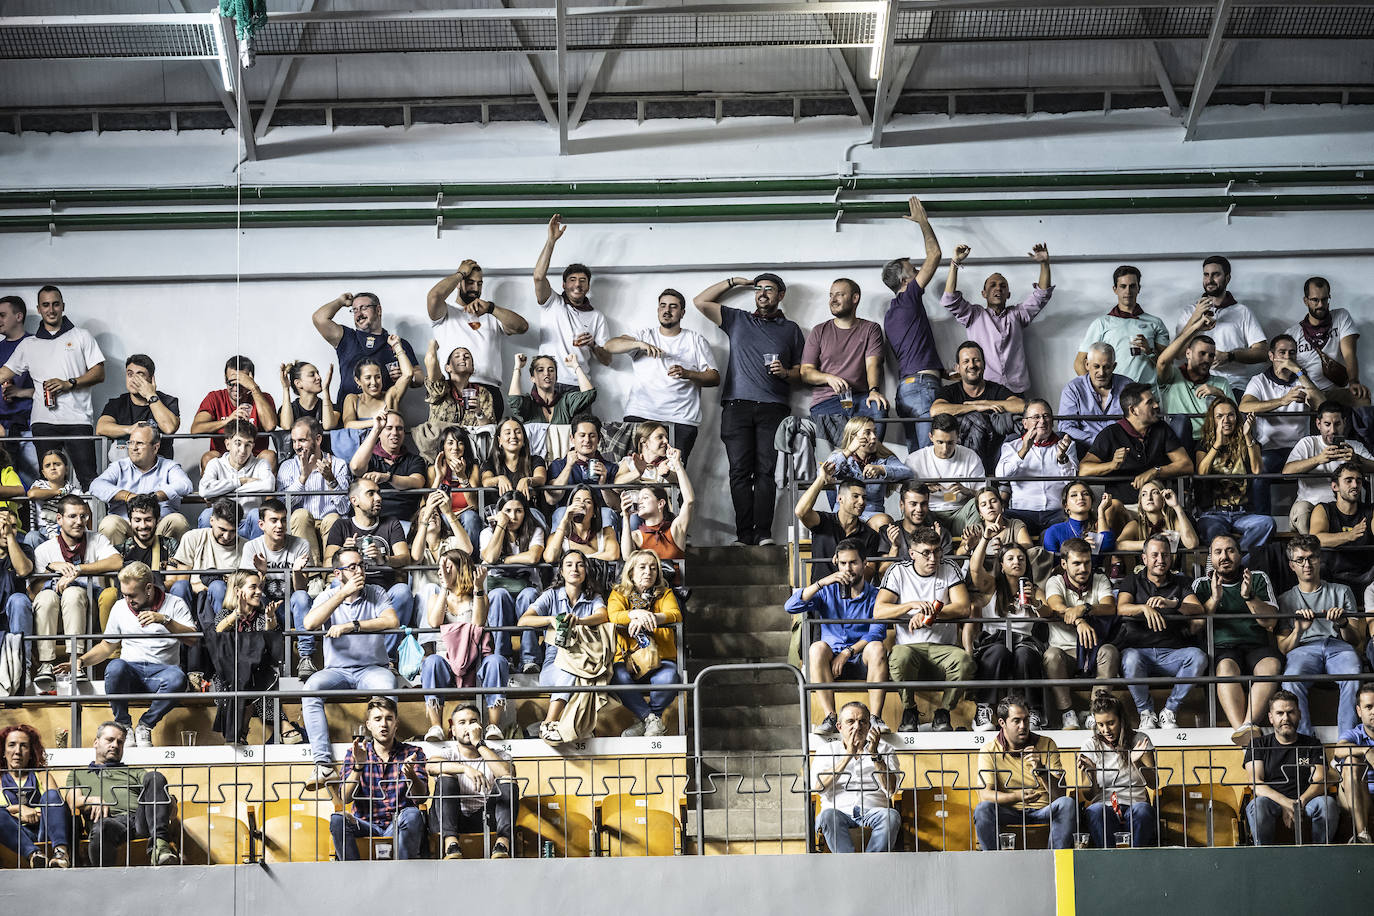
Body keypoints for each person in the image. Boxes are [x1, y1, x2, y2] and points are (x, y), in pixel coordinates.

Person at [692, 270, 804, 546]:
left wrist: (786, 373)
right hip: (736, 407)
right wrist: (733, 283)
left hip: (774, 408)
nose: (762, 293)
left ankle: (764, 534)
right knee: (739, 472)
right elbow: (700, 302)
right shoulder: (737, 319)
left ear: (780, 295)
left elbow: (803, 371)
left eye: (769, 289)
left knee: (766, 472)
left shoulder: (791, 330)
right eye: (758, 289)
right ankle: (744, 535)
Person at [58, 562, 196, 748]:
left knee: (178, 678)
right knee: (115, 666)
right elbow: (107, 647)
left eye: (132, 595)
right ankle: (124, 725)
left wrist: (164, 620)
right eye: (124, 594)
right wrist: (81, 660)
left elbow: (193, 640)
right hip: (132, 672)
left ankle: (145, 725)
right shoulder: (120, 607)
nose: (128, 600)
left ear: (148, 588)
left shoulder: (175, 604)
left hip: (162, 673)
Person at [300, 549, 402, 789]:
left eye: (362, 565)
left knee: (387, 685)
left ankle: (384, 754)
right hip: (338, 671)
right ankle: (323, 765)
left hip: (372, 669)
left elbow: (391, 621)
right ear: (338, 573)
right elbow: (309, 623)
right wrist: (342, 593)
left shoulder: (375, 592)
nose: (360, 570)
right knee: (310, 688)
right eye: (353, 567)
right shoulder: (329, 594)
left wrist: (351, 626)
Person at [0, 285, 105, 485]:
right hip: (43, 422)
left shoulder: (81, 336)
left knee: (89, 480)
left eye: (55, 304)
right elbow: (5, 372)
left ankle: (94, 517)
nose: (51, 309)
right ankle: (50, 518)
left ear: (63, 306)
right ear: (38, 309)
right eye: (46, 305)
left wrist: (69, 383)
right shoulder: (29, 344)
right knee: (47, 483)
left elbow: (99, 373)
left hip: (78, 420)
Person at [875, 527, 973, 733]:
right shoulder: (898, 570)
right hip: (910, 649)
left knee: (965, 660)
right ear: (912, 554)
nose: (933, 558)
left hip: (944, 649)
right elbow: (879, 611)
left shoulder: (949, 567)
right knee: (898, 656)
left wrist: (931, 613)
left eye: (937, 551)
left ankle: (943, 712)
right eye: (926, 553)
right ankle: (909, 710)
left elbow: (963, 607)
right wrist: (912, 606)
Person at [787, 539, 889, 736]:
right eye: (843, 563)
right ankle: (831, 718)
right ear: (836, 563)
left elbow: (877, 632)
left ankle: (875, 718)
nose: (848, 568)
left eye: (853, 562)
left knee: (877, 646)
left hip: (862, 658)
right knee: (816, 648)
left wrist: (848, 652)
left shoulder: (877, 595)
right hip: (830, 661)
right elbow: (791, 606)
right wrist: (822, 582)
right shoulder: (827, 591)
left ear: (865, 563)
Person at [607, 288, 720, 464]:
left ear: (682, 313)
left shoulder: (695, 340)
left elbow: (714, 377)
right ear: (658, 309)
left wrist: (688, 373)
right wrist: (639, 344)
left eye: (673, 307)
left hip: (680, 420)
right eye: (663, 306)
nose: (667, 310)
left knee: (673, 477)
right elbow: (609, 346)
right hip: (641, 415)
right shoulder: (644, 336)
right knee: (634, 473)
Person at [1193, 534, 1281, 747]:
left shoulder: (1257, 577)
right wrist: (1214, 599)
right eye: (1218, 552)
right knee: (1224, 668)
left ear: (1240, 555)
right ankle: (1244, 733)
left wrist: (1249, 597)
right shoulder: (1202, 584)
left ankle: (1246, 728)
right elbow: (1194, 626)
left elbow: (1270, 622)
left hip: (1256, 646)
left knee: (1272, 664)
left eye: (1230, 550)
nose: (1224, 556)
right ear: (1210, 558)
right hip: (1222, 648)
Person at [1114, 536, 1207, 730]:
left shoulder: (1181, 582)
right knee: (1130, 658)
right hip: (1139, 654)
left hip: (1172, 653)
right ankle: (1146, 713)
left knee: (1198, 656)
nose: (1160, 559)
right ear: (1144, 559)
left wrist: (1173, 603)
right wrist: (1143, 608)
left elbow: (1198, 609)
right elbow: (1121, 608)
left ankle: (1169, 712)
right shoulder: (1133, 580)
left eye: (1165, 555)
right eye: (1154, 555)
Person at [29, 494, 121, 689]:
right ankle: (46, 664)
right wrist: (51, 569)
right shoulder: (45, 550)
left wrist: (78, 569)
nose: (79, 522)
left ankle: (76, 662)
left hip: (87, 608)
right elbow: (32, 592)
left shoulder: (97, 539)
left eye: (83, 516)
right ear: (59, 519)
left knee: (74, 593)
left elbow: (117, 561)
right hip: (54, 613)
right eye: (72, 516)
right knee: (45, 596)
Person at [518, 550, 610, 743]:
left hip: (584, 657)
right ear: (561, 570)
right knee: (571, 673)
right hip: (555, 662)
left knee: (586, 676)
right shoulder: (551, 595)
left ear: (586, 570)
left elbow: (603, 615)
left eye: (580, 564)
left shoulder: (593, 597)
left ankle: (569, 725)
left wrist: (580, 622)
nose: (574, 569)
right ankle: (549, 723)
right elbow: (524, 621)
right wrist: (550, 619)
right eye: (569, 564)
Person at [321, 478, 415, 667]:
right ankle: (342, 655)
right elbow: (326, 564)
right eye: (371, 493)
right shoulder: (342, 526)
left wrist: (384, 559)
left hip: (382, 593)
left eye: (378, 492)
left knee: (403, 592)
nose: (378, 498)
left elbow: (405, 558)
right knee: (333, 586)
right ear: (354, 500)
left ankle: (387, 659)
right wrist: (342, 551)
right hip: (352, 591)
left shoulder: (391, 523)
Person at [419, 548, 508, 743]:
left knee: (497, 661)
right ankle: (436, 727)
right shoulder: (436, 597)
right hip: (446, 662)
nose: (442, 570)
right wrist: (444, 587)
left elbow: (477, 623)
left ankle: (493, 725)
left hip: (476, 662)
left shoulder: (479, 595)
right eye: (440, 567)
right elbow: (434, 621)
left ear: (460, 569)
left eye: (448, 566)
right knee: (430, 662)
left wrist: (478, 587)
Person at [1276, 534, 1362, 735]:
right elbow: (1283, 648)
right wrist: (1299, 630)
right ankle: (1306, 743)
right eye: (1300, 560)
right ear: (1292, 566)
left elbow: (1356, 640)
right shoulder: (1285, 599)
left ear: (1319, 559)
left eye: (1311, 557)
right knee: (1291, 679)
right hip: (1303, 648)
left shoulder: (1342, 591)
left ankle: (1346, 741)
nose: (1307, 564)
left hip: (1338, 646)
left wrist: (1342, 623)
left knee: (1354, 673)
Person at [940, 241, 1052, 394]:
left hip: (1016, 390)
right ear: (984, 294)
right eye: (992, 285)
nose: (998, 288)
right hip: (984, 389)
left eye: (1002, 286)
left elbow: (1042, 295)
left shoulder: (1018, 314)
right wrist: (955, 263)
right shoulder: (974, 315)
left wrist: (1045, 264)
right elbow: (949, 299)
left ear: (1008, 294)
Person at [64, 722, 179, 866]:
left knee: (154, 776)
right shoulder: (78, 774)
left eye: (120, 742)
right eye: (109, 740)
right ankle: (104, 879)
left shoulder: (134, 772)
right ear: (96, 742)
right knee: (102, 827)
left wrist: (171, 799)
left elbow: (156, 787)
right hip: (109, 822)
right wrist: (93, 799)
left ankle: (160, 847)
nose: (115, 745)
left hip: (139, 821)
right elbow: (73, 801)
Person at [1079, 382, 1192, 528]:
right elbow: (1083, 470)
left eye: (1155, 401)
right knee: (1112, 508)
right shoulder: (1110, 433)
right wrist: (1112, 465)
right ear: (1133, 410)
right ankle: (1109, 548)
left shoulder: (1161, 429)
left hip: (1157, 506)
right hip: (1124, 508)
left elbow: (1186, 465)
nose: (1156, 406)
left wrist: (1155, 472)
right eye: (1150, 402)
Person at [964, 542, 1051, 730]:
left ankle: (1033, 711)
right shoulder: (992, 585)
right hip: (993, 641)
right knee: (999, 651)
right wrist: (985, 539)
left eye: (1021, 559)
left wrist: (1035, 602)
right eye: (1010, 558)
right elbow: (974, 569)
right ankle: (983, 710)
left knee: (1025, 655)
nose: (1016, 562)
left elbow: (1047, 613)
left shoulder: (1034, 589)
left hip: (1023, 641)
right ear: (1001, 565)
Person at [330, 696, 429, 861]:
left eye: (389, 719)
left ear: (396, 724)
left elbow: (421, 797)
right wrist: (358, 766)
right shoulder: (355, 753)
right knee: (337, 820)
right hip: (365, 825)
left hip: (399, 824)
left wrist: (411, 774)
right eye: (378, 719)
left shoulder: (412, 753)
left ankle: (402, 874)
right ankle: (353, 877)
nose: (384, 724)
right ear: (369, 725)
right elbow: (345, 798)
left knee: (413, 814)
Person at [881, 196, 945, 451]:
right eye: (914, 270)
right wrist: (923, 222)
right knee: (932, 456)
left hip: (907, 389)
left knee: (918, 459)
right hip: (921, 388)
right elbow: (936, 254)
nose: (919, 271)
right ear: (906, 281)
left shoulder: (891, 312)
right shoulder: (908, 299)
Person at [974, 695, 1074, 851]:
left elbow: (1060, 795)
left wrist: (1041, 770)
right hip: (1009, 811)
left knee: (1067, 804)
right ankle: (993, 863)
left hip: (1043, 810)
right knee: (983, 810)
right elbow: (985, 795)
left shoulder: (1047, 743)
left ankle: (1056, 860)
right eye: (1016, 721)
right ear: (1002, 723)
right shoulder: (989, 750)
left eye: (1026, 720)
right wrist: (1017, 796)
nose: (1023, 725)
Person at [1240, 334, 1325, 514]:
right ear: (1271, 356)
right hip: (1270, 448)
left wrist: (1300, 373)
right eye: (1282, 352)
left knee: (1326, 470)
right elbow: (1245, 406)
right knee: (1259, 471)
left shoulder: (1302, 381)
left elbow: (1323, 407)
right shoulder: (1260, 381)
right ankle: (1262, 523)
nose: (1287, 358)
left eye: (1292, 353)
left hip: (1300, 449)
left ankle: (1314, 525)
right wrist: (1282, 401)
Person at [1043, 538, 1122, 730]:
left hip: (1095, 650)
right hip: (1066, 653)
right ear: (1064, 564)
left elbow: (1110, 607)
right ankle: (1068, 714)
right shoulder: (1055, 581)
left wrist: (1084, 608)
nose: (1083, 568)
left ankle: (1097, 713)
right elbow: (1056, 606)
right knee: (1051, 655)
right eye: (1076, 563)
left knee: (1110, 651)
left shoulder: (1100, 578)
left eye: (1087, 562)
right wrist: (1079, 620)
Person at [1242, 689, 1339, 846]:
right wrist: (1287, 804)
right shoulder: (1258, 744)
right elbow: (1256, 783)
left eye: (1290, 712)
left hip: (1307, 802)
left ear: (1299, 715)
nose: (1285, 718)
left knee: (1327, 804)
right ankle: (1262, 855)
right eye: (1280, 713)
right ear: (1271, 718)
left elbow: (1320, 780)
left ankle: (1321, 855)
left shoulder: (1312, 744)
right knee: (1257, 805)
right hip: (1271, 802)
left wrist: (1299, 803)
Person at [800, 277, 887, 447]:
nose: (833, 300)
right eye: (831, 295)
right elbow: (805, 372)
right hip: (827, 402)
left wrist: (874, 391)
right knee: (842, 446)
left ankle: (870, 463)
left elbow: (873, 363)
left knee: (879, 406)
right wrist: (828, 378)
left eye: (839, 295)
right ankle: (848, 465)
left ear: (855, 298)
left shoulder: (871, 329)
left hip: (860, 398)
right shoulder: (819, 331)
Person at [608, 549, 684, 738]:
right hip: (628, 661)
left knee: (668, 678)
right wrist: (634, 614)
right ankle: (650, 719)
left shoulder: (664, 593)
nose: (648, 572)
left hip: (661, 658)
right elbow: (613, 615)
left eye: (653, 568)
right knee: (617, 677)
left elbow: (675, 614)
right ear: (631, 572)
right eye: (642, 567)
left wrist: (652, 617)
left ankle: (649, 720)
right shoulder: (618, 593)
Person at [165, 499, 245, 677]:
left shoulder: (245, 547)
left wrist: (204, 585)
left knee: (217, 587)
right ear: (212, 521)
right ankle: (180, 644)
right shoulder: (193, 537)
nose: (226, 537)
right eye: (222, 530)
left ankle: (224, 643)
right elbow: (181, 581)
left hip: (223, 606)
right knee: (179, 587)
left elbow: (240, 592)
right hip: (191, 603)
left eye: (232, 531)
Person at [811, 701, 901, 854]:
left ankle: (872, 865)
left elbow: (891, 789)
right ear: (839, 727)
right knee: (827, 816)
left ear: (869, 726)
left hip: (874, 810)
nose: (857, 726)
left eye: (863, 722)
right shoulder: (826, 750)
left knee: (891, 816)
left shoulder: (885, 749)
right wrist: (847, 756)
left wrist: (875, 755)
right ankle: (849, 865)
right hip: (837, 811)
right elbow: (818, 786)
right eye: (850, 721)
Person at [426, 259, 529, 394]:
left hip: (489, 388)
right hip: (452, 388)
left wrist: (491, 308)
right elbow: (434, 296)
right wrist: (460, 274)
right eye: (470, 283)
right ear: (458, 283)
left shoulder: (491, 315)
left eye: (479, 284)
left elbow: (522, 327)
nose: (475, 288)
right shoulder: (446, 312)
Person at [428, 704, 516, 859]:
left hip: (486, 818)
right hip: (452, 818)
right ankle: (451, 845)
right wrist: (464, 769)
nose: (468, 727)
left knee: (507, 780)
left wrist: (479, 744)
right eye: (462, 723)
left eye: (473, 722)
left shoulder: (498, 754)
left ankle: (502, 844)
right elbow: (431, 766)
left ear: (480, 727)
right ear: (453, 730)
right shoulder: (448, 754)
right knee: (445, 776)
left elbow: (507, 772)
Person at [1171, 256, 1269, 394]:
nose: (1209, 280)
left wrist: (1230, 356)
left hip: (1233, 386)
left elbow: (1263, 353)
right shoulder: (1189, 312)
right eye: (1206, 275)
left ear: (1227, 278)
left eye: (1216, 274)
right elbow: (1178, 354)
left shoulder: (1242, 312)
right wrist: (1195, 317)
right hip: (1195, 386)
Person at [208, 570, 283, 745]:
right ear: (238, 591)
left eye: (260, 587)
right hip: (229, 674)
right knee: (239, 680)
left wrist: (271, 618)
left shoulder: (261, 615)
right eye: (253, 587)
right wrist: (237, 613)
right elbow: (217, 632)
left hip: (258, 673)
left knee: (251, 679)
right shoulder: (226, 614)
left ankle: (238, 734)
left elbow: (272, 641)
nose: (259, 592)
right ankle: (284, 726)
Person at [1193, 398, 1273, 560]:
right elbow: (1201, 473)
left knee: (1267, 523)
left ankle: (1235, 563)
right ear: (1212, 419)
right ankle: (1238, 563)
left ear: (1237, 418)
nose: (1226, 420)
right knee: (1211, 531)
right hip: (1213, 513)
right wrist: (1217, 443)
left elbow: (1257, 471)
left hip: (1243, 513)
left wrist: (1247, 435)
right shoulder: (1204, 444)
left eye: (1230, 415)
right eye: (1220, 416)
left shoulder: (1249, 442)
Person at [88, 422, 192, 544]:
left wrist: (156, 497)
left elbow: (185, 484)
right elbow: (96, 485)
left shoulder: (169, 466)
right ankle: (116, 562)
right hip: (127, 527)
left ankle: (169, 562)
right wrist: (128, 497)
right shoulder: (119, 466)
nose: (133, 448)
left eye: (140, 443)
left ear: (155, 447)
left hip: (159, 527)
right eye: (131, 442)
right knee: (109, 523)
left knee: (177, 521)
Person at [1076, 694, 1157, 848]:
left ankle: (1136, 862)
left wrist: (1136, 761)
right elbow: (1089, 795)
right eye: (1100, 724)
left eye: (1111, 723)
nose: (1105, 729)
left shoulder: (1140, 739)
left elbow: (1154, 783)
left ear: (1121, 719)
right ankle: (1109, 861)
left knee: (1143, 810)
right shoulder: (1090, 745)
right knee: (1095, 810)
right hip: (1104, 806)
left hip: (1134, 805)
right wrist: (1091, 772)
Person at [930, 340, 1025, 471]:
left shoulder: (995, 390)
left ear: (984, 365)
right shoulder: (950, 391)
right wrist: (975, 408)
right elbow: (935, 410)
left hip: (995, 452)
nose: (972, 365)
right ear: (957, 368)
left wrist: (986, 403)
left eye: (976, 360)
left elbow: (1020, 406)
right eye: (966, 361)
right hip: (959, 453)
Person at [532, 215, 611, 368]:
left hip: (578, 382)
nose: (577, 285)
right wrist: (551, 241)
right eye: (572, 280)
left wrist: (593, 345)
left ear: (588, 286)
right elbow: (538, 277)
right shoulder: (552, 303)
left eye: (582, 280)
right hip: (547, 379)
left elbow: (607, 360)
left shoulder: (596, 316)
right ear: (563, 285)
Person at [480, 491, 547, 673]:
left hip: (526, 587)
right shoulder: (487, 533)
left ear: (525, 512)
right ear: (500, 512)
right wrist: (501, 525)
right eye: (507, 511)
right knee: (498, 595)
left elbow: (533, 557)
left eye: (518, 511)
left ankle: (529, 659)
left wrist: (504, 560)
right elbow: (490, 556)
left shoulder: (535, 530)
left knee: (530, 595)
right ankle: (504, 657)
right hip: (499, 589)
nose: (513, 516)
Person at [1282, 401, 1374, 533]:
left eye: (1337, 424)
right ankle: (1312, 550)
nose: (1332, 430)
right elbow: (1287, 472)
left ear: (1344, 422)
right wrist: (1317, 459)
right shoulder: (1307, 443)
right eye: (1327, 424)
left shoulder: (1355, 446)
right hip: (1310, 505)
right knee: (1301, 510)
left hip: (1345, 508)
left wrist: (1356, 459)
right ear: (1318, 424)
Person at [241, 497, 313, 663]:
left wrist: (296, 571)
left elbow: (302, 590)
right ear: (261, 525)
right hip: (263, 605)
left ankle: (306, 658)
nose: (280, 526)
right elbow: (250, 592)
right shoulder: (251, 547)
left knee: (301, 597)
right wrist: (262, 573)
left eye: (283, 520)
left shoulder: (301, 545)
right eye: (273, 521)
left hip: (291, 607)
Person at [312, 291, 422, 400]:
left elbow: (420, 378)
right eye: (355, 310)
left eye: (364, 308)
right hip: (346, 414)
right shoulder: (346, 337)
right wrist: (340, 302)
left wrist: (405, 375)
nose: (359, 314)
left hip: (383, 413)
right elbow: (319, 319)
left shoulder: (396, 342)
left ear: (378, 310)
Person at [96, 494, 181, 632]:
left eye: (148, 520)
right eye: (137, 520)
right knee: (108, 594)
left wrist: (142, 591)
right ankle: (113, 649)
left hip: (159, 600)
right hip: (127, 602)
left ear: (157, 521)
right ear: (130, 521)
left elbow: (172, 581)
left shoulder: (169, 544)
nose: (143, 525)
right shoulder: (121, 550)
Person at [1074, 266, 1170, 385]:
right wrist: (1097, 393)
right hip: (1115, 395)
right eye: (1123, 286)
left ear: (1138, 288)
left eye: (1132, 286)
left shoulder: (1155, 323)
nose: (1128, 291)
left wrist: (1149, 351)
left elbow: (1167, 364)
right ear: (1115, 289)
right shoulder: (1102, 323)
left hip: (1147, 395)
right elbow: (1079, 363)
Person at [994, 399, 1077, 535]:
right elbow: (1001, 476)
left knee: (1065, 526)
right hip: (1021, 512)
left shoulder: (1066, 445)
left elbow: (1072, 481)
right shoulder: (1012, 446)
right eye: (1036, 417)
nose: (1042, 421)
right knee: (1006, 523)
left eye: (1046, 416)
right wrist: (1023, 451)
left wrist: (1062, 458)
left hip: (1057, 512)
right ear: (1025, 423)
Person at [278, 416, 352, 562]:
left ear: (318, 439)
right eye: (294, 441)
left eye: (302, 440)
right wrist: (303, 478)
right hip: (301, 524)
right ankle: (312, 578)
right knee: (300, 515)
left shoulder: (338, 465)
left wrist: (331, 479)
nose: (297, 446)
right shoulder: (287, 466)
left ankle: (332, 577)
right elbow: (283, 506)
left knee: (334, 519)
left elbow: (344, 509)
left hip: (330, 522)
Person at [1285, 276, 1369, 405]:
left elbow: (1349, 353)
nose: (1321, 305)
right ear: (1305, 301)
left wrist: (1353, 381)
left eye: (1324, 299)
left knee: (1362, 398)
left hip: (1335, 390)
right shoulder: (1292, 333)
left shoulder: (1341, 317)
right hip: (1308, 394)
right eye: (1315, 300)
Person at [188, 355, 277, 472]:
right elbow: (195, 429)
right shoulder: (214, 398)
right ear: (225, 380)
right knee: (208, 458)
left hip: (254, 459)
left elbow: (270, 425)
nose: (236, 388)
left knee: (269, 456)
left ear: (250, 380)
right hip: (224, 460)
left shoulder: (263, 397)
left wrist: (254, 388)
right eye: (231, 383)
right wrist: (227, 421)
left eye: (241, 383)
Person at [821, 416, 911, 530]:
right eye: (867, 433)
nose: (873, 437)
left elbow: (908, 472)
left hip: (872, 513)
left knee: (884, 521)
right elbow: (825, 471)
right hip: (844, 513)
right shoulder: (840, 457)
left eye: (874, 432)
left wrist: (882, 469)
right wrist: (848, 451)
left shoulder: (884, 459)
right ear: (854, 437)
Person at [795, 465, 881, 585]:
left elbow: (870, 569)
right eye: (855, 496)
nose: (861, 502)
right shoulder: (824, 521)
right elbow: (801, 511)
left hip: (851, 595)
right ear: (840, 499)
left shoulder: (870, 534)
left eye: (864, 498)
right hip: (821, 594)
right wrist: (821, 480)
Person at [0, 723, 70, 868]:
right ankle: (34, 855)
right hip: (15, 834)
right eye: (12, 745)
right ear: (3, 750)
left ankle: (61, 853)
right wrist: (21, 809)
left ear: (31, 752)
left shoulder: (42, 775)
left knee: (51, 796)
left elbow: (55, 805)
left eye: (23, 746)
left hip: (45, 831)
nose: (17, 751)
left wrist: (31, 812)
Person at [902, 414, 986, 533]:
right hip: (929, 512)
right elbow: (903, 494)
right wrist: (923, 489)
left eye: (950, 443)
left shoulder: (970, 457)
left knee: (978, 503)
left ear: (958, 437)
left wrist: (968, 492)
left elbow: (985, 494)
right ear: (931, 437)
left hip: (960, 512)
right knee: (911, 507)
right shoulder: (915, 459)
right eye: (940, 442)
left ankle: (969, 546)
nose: (945, 448)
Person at [413, 344, 495, 463]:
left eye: (467, 356)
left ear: (472, 369)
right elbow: (430, 359)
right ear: (448, 368)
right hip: (438, 453)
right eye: (457, 356)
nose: (462, 358)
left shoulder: (482, 393)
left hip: (471, 455)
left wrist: (478, 412)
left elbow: (488, 429)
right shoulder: (441, 388)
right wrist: (432, 345)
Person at [196, 420, 273, 538]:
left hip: (248, 522)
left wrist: (225, 491)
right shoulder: (215, 464)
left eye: (248, 444)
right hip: (222, 522)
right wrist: (241, 481)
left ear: (253, 446)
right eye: (238, 443)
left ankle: (258, 556)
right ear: (227, 444)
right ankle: (207, 555)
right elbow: (204, 490)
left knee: (257, 514)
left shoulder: (260, 464)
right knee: (207, 515)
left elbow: (269, 485)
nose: (243, 450)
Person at [95, 354, 180, 461]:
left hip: (158, 463)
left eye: (140, 375)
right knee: (118, 449)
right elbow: (101, 427)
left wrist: (151, 395)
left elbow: (169, 428)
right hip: (125, 464)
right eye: (130, 374)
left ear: (151, 379)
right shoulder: (117, 403)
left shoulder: (167, 401)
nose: (134, 379)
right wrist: (130, 429)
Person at [348, 411, 429, 523]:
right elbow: (356, 467)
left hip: (403, 520)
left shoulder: (414, 459)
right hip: (370, 520)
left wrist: (388, 477)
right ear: (380, 432)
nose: (395, 432)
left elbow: (417, 482)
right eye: (389, 428)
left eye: (399, 428)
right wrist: (376, 429)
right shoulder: (369, 458)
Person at [1155, 320, 1229, 441]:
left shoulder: (1221, 383)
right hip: (1178, 443)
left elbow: (1234, 416)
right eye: (1202, 353)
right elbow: (1162, 361)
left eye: (1211, 355)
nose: (1207, 359)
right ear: (1188, 353)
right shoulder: (1173, 375)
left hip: (1210, 441)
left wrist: (1219, 394)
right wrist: (1195, 328)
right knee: (1181, 421)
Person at [1058, 342, 1131, 458]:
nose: (1101, 373)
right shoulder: (1073, 389)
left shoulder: (1128, 386)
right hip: (1085, 448)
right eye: (1096, 366)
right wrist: (1098, 442)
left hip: (1122, 448)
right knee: (1062, 438)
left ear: (1114, 366)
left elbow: (1138, 421)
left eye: (1106, 367)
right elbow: (1065, 426)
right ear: (1087, 364)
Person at [1311, 462, 1374, 595]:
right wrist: (1349, 535)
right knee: (1318, 569)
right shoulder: (1323, 509)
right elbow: (1315, 539)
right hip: (1332, 579)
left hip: (1366, 578)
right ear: (1335, 486)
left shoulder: (1370, 511)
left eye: (1358, 481)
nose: (1355, 485)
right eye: (1348, 481)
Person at [620, 468, 695, 580]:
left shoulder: (674, 529)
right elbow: (627, 557)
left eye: (645, 498)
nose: (640, 502)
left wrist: (678, 465)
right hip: (645, 592)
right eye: (639, 499)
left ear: (660, 503)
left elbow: (689, 501)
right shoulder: (635, 535)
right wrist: (626, 517)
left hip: (672, 591)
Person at [546, 413, 617, 530]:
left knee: (607, 514)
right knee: (560, 513)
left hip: (599, 515)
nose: (587, 440)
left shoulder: (610, 467)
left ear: (599, 439)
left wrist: (603, 485)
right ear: (572, 439)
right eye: (582, 435)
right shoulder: (558, 465)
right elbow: (551, 499)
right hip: (568, 512)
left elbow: (616, 506)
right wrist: (568, 466)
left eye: (592, 435)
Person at [425, 425, 483, 547]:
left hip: (466, 515)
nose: (455, 448)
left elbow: (475, 504)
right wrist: (439, 477)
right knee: (444, 519)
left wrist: (462, 476)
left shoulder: (473, 468)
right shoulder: (432, 470)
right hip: (442, 516)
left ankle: (471, 561)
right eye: (450, 443)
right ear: (443, 447)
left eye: (460, 443)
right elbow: (427, 506)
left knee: (470, 517)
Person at [339, 339, 413, 434]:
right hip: (360, 448)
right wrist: (375, 421)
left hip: (386, 448)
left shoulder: (389, 397)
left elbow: (408, 374)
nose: (374, 382)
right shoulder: (352, 399)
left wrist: (397, 346)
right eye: (368, 378)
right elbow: (348, 425)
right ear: (358, 381)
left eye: (378, 377)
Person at [482, 417, 547, 520]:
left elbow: (541, 478)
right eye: (508, 433)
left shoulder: (535, 460)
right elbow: (486, 481)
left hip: (528, 513)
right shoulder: (490, 463)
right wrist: (499, 478)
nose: (513, 436)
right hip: (501, 514)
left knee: (536, 515)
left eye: (517, 432)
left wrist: (528, 480)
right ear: (499, 440)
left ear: (524, 439)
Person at [1333, 683, 1374, 844]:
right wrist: (1366, 750)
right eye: (1368, 707)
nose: (1373, 711)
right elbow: (1339, 750)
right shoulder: (1353, 734)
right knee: (1351, 761)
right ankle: (1362, 835)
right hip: (1355, 794)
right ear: (1359, 711)